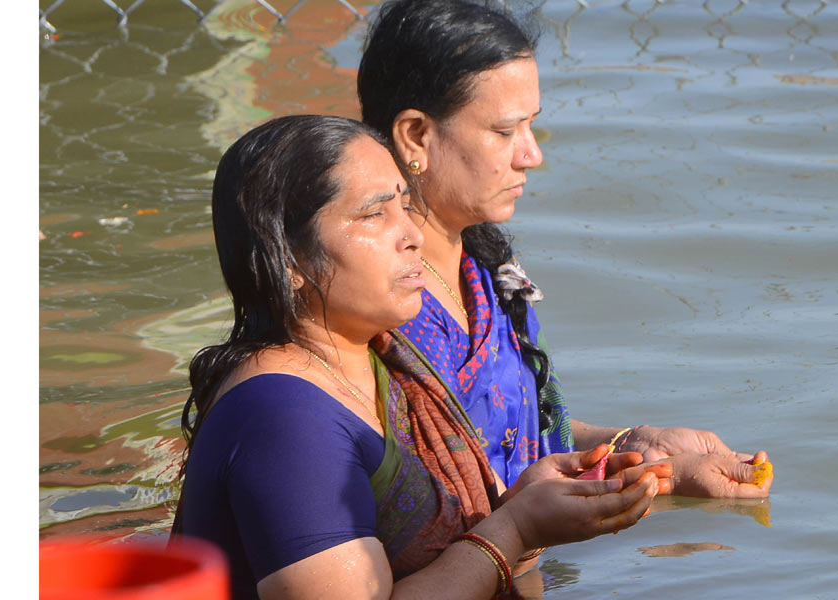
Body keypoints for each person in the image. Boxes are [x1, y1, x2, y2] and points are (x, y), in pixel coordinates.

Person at [171, 114, 668, 599]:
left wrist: (529, 508)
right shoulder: (282, 418)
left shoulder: (389, 364)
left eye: (405, 206)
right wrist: (514, 528)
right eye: (374, 213)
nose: (410, 233)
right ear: (289, 260)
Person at [357, 0, 773, 496]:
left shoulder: (488, 273)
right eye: (505, 131)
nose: (532, 154)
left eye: (532, 125)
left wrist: (638, 450)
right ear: (416, 136)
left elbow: (510, 448)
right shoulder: (368, 307)